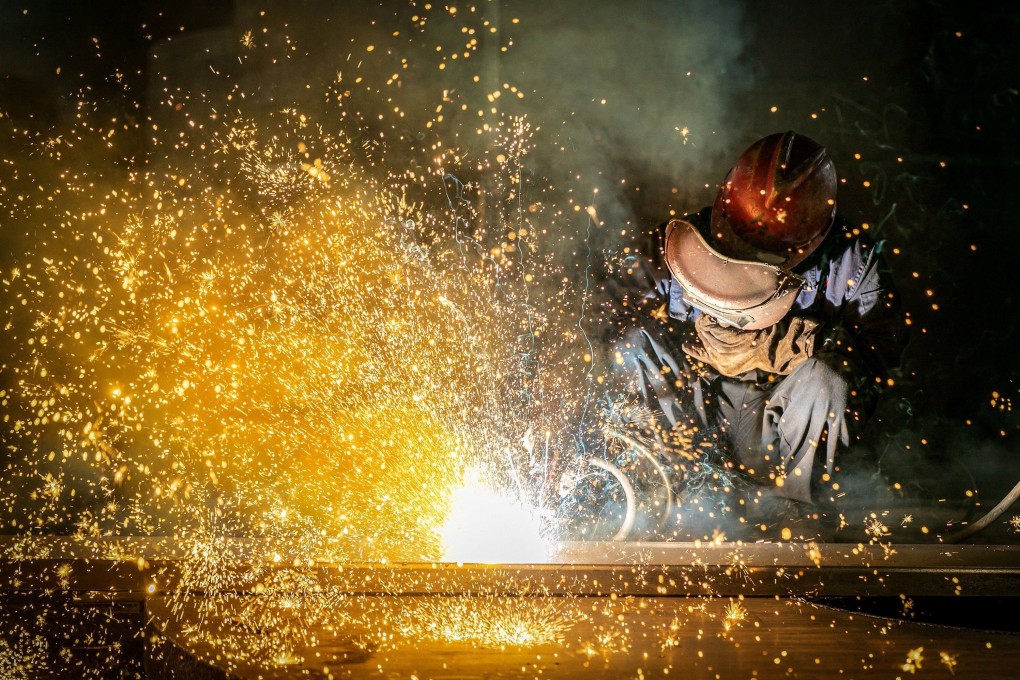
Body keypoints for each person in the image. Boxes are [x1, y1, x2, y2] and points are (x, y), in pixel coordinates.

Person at [606, 131, 905, 537]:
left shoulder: (851, 260)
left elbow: (882, 359)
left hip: (781, 428)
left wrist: (789, 346)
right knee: (632, 346)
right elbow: (596, 317)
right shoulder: (671, 246)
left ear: (807, 244)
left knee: (828, 381)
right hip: (695, 423)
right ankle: (670, 490)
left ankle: (797, 512)